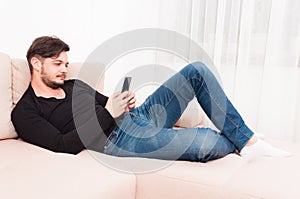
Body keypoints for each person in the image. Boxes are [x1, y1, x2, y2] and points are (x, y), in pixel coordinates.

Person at [11, 36, 290, 163]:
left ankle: (247, 140)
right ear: (36, 64)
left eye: (65, 63)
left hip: (136, 118)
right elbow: (63, 146)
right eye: (58, 63)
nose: (64, 69)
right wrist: (109, 112)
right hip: (117, 141)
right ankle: (242, 138)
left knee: (197, 71)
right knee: (207, 142)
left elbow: (107, 102)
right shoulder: (25, 112)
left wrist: (124, 101)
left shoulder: (73, 84)